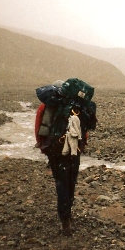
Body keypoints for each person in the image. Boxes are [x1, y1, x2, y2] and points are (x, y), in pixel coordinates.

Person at [36, 80, 97, 236]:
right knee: (71, 180)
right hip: (74, 149)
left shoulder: (47, 105)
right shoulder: (78, 107)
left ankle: (65, 220)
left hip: (55, 150)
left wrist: (44, 148)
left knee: (61, 182)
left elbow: (39, 128)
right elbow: (84, 130)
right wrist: (81, 145)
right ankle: (68, 212)